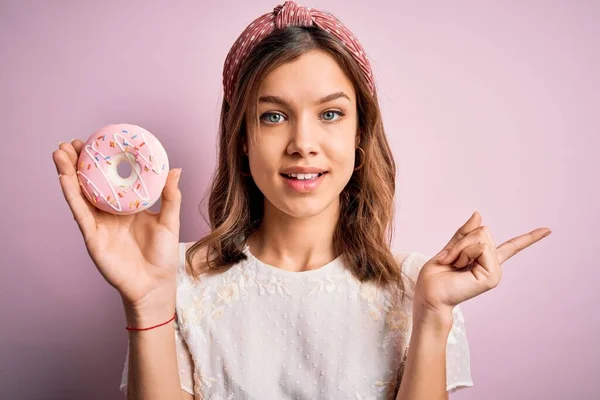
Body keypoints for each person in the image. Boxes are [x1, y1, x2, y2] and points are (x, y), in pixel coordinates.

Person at [52, 1, 551, 399]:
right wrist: (147, 306)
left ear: (361, 133)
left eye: (331, 114)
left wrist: (434, 314)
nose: (303, 143)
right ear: (241, 138)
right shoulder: (176, 280)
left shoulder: (421, 287)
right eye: (273, 116)